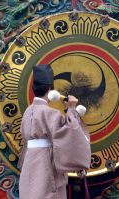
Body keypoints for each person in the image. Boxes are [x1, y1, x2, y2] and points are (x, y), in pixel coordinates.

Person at [18, 64, 91, 199]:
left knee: (30, 192)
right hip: (45, 162)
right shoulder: (49, 113)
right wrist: (72, 109)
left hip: (29, 160)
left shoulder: (28, 112)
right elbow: (70, 131)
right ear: (49, 90)